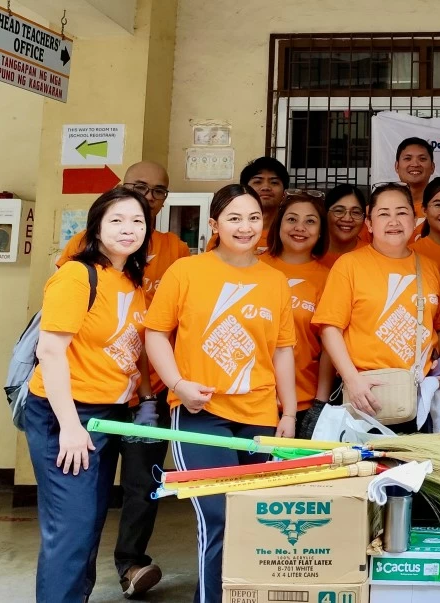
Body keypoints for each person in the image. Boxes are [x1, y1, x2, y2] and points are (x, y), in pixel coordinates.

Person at [144, 184, 298, 603]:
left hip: (260, 413)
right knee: (217, 515)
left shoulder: (275, 281)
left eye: (253, 217)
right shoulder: (187, 272)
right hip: (200, 411)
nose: (245, 226)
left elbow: (283, 350)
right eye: (233, 218)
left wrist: (289, 413)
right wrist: (178, 385)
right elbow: (155, 333)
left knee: (250, 518)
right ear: (214, 225)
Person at [55, 161, 188, 597]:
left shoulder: (177, 251)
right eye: (138, 188)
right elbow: (63, 325)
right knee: (83, 502)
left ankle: (131, 565)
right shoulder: (84, 253)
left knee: (143, 485)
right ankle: (77, 578)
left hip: (148, 396)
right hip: (92, 394)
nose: (149, 197)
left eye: (158, 191)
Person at [25, 187, 152, 603]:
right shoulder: (77, 275)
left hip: (109, 413)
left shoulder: (132, 281)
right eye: (116, 220)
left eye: (137, 221)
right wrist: (70, 427)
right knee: (73, 527)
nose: (128, 229)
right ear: (95, 226)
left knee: (89, 523)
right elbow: (50, 351)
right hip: (66, 414)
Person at [312, 183, 440, 432]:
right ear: (369, 223)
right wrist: (351, 379)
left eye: (401, 212)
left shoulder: (429, 267)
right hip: (367, 395)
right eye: (383, 214)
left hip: (420, 396)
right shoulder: (350, 265)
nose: (394, 221)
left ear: (414, 219)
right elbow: (330, 328)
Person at [261, 191, 334, 437]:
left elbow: (328, 348)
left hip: (304, 399)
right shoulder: (253, 267)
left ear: (321, 230)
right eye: (292, 219)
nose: (300, 228)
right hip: (251, 400)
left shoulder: (329, 278)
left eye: (310, 221)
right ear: (278, 224)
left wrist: (320, 404)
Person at [205, 157, 292, 252]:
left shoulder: (291, 235)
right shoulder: (223, 238)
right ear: (244, 190)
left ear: (284, 193)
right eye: (258, 182)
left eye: (274, 182)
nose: (266, 187)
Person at [321, 184, 369, 268]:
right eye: (339, 211)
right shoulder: (309, 253)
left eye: (356, 212)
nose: (347, 218)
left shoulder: (372, 255)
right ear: (325, 213)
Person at [395, 137, 436, 217]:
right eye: (407, 158)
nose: (415, 164)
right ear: (397, 166)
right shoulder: (375, 210)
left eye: (422, 159)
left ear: (432, 167)